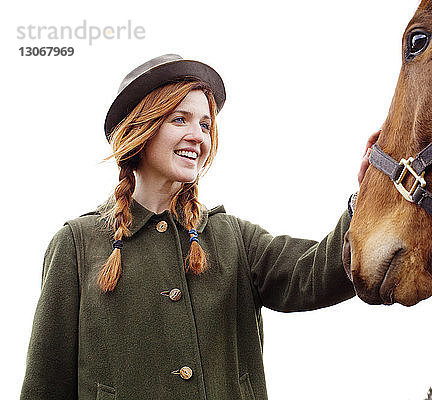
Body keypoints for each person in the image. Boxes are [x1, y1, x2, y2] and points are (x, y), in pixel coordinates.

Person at [20, 54, 377, 400]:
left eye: (205, 125)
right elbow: (45, 385)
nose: (198, 136)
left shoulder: (233, 238)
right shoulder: (76, 245)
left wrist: (368, 198)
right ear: (139, 129)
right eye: (180, 120)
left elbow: (316, 274)